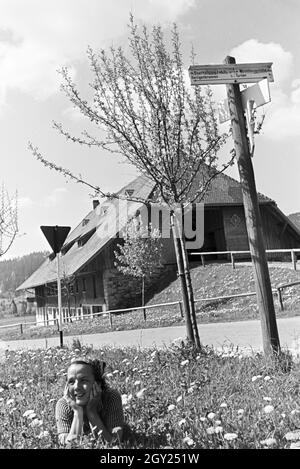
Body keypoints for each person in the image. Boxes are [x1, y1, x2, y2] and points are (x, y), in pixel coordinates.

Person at [55, 358, 124, 446]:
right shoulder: (63, 404)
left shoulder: (110, 397)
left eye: (83, 380)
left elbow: (114, 442)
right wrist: (77, 412)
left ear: (97, 384)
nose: (76, 387)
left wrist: (92, 412)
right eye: (71, 382)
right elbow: (68, 446)